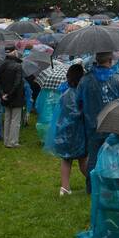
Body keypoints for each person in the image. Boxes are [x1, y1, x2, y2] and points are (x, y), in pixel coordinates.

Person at [76, 52, 119, 192]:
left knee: (93, 157)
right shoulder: (118, 78)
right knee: (116, 155)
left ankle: (92, 187)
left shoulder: (85, 79)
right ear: (111, 60)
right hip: (115, 125)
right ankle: (115, 185)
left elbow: (78, 101)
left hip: (92, 125)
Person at [44, 63, 87, 195]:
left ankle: (65, 187)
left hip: (64, 131)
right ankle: (93, 182)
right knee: (83, 159)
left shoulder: (64, 93)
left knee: (66, 159)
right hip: (79, 131)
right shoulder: (82, 94)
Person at [0, 49, 26, 149]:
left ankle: (6, 141)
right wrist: (9, 93)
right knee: (15, 120)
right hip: (16, 96)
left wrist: (3, 94)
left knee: (7, 118)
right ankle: (13, 141)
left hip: (5, 95)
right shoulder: (18, 66)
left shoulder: (1, 66)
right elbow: (17, 83)